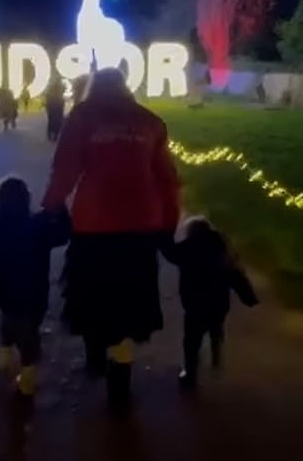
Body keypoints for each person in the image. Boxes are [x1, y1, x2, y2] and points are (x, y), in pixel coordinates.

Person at [42, 67, 180, 415]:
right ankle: (120, 377)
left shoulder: (84, 116)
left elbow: (65, 168)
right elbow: (167, 180)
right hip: (140, 225)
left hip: (94, 223)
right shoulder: (150, 122)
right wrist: (168, 224)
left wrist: (51, 206)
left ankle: (94, 358)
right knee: (130, 302)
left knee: (91, 293)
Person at [0, 177, 71, 397]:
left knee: (8, 321)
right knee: (29, 338)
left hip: (6, 296)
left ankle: (4, 356)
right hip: (34, 298)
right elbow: (64, 233)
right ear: (27, 200)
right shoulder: (39, 226)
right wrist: (60, 206)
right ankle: (27, 377)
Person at [163, 216, 258, 389]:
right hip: (219, 303)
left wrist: (163, 232)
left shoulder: (188, 248)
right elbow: (237, 277)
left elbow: (170, 253)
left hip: (195, 304)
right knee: (215, 324)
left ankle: (190, 375)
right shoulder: (222, 250)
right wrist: (249, 298)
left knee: (192, 340)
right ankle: (215, 352)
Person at [44, 77, 65, 142]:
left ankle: (51, 134)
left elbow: (48, 99)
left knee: (52, 120)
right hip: (56, 106)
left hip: (53, 106)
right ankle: (53, 135)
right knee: (56, 121)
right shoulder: (57, 90)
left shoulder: (52, 90)